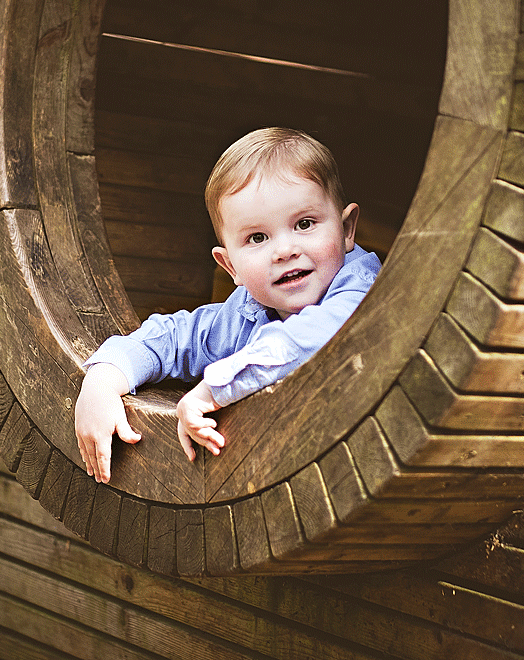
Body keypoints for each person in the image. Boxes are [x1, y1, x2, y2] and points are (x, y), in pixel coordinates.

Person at [74, 127, 382, 483]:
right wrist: (102, 379)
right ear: (230, 266)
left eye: (305, 224)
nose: (284, 250)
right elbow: (174, 338)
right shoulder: (245, 311)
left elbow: (314, 337)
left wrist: (212, 388)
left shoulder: (361, 287)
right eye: (257, 237)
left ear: (346, 230)